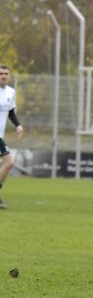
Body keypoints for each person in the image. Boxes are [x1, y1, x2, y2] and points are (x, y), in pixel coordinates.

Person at [0, 65, 24, 210]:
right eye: (1, 73)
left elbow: (11, 112)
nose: (3, 76)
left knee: (8, 163)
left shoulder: (11, 92)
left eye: (6, 74)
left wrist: (18, 125)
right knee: (9, 162)